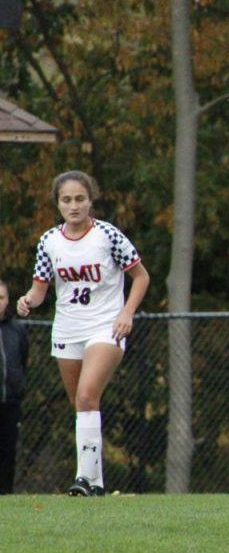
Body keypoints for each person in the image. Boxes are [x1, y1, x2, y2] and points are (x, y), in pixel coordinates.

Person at [16, 171, 150, 497]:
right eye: (67, 200)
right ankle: (97, 483)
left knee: (87, 395)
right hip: (67, 328)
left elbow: (141, 276)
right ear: (58, 203)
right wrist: (26, 301)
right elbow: (40, 290)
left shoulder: (108, 236)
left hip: (106, 326)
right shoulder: (49, 241)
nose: (74, 206)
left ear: (91, 199)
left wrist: (127, 313)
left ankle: (83, 479)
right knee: (81, 404)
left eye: (80, 199)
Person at [0, 280, 30, 495]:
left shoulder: (16, 330)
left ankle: (6, 495)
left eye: (1, 298)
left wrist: (18, 388)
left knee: (7, 451)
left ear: (7, 300)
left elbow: (22, 360)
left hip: (9, 402)